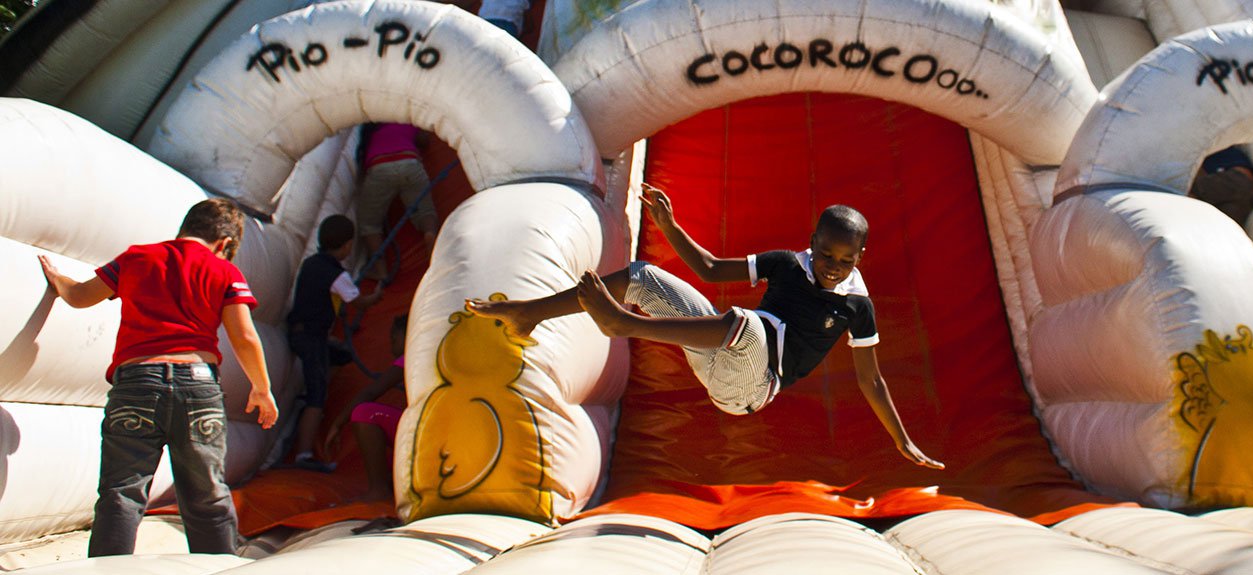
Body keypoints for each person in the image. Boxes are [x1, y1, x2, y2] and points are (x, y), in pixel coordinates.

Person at [467, 184, 943, 469]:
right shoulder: (785, 263)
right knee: (641, 277)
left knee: (744, 323)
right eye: (825, 254)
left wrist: (902, 440)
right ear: (812, 241)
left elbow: (871, 379)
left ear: (861, 257)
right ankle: (529, 314)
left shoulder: (857, 306)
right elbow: (712, 269)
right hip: (717, 352)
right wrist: (670, 226)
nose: (832, 267)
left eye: (844, 260)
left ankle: (621, 323)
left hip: (751, 386)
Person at [37, 198, 278, 556]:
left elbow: (79, 297)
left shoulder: (136, 258)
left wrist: (59, 279)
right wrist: (262, 389)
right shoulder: (224, 271)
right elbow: (243, 335)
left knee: (122, 493)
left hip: (137, 383)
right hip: (197, 387)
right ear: (225, 244)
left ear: (185, 228)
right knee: (207, 496)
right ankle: (217, 566)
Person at [285, 215, 382, 472]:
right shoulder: (336, 273)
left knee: (341, 354)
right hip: (312, 337)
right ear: (348, 246)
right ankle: (304, 453)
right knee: (317, 395)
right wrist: (376, 296)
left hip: (299, 332)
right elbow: (357, 301)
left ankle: (316, 395)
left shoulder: (310, 263)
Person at [323, 315, 409, 501]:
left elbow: (370, 393)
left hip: (425, 430)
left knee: (365, 413)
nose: (391, 345)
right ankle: (386, 486)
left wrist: (338, 424)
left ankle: (378, 490)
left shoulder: (410, 356)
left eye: (393, 339)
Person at [354, 123, 438, 281]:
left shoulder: (370, 131)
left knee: (370, 224)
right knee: (426, 211)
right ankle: (430, 237)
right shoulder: (405, 121)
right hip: (410, 162)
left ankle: (381, 271)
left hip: (380, 167)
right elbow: (424, 142)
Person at [1190, 146, 1253, 227]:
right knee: (1221, 229)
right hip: (1249, 189)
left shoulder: (1211, 149)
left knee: (1181, 189)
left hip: (1235, 179)